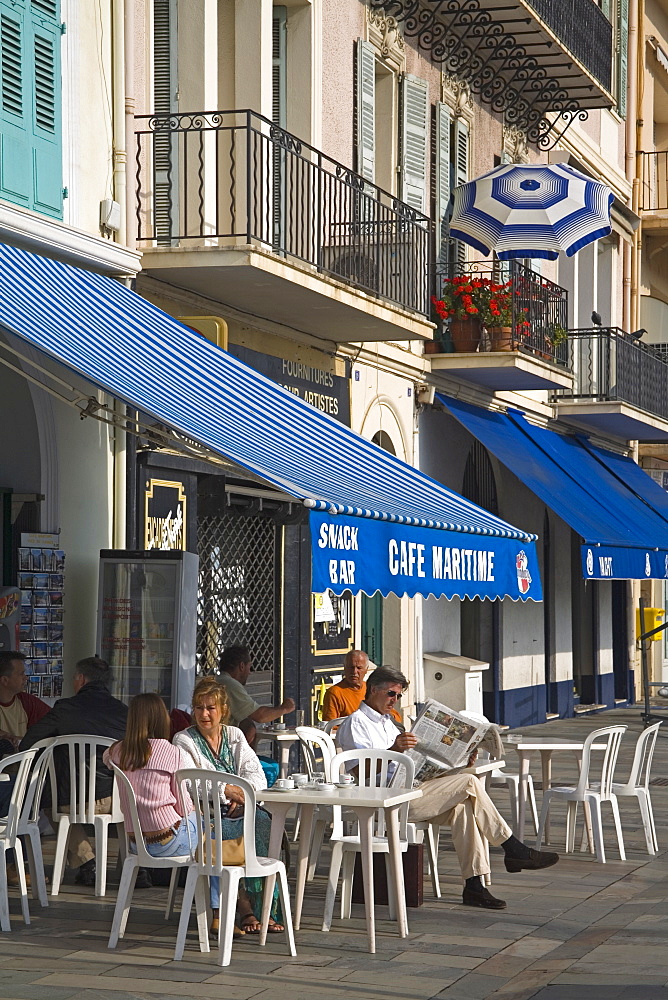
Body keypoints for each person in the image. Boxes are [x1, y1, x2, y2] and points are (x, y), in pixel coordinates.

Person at [336, 665, 559, 910]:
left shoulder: (391, 722)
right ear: (373, 690)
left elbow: (419, 763)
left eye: (399, 696)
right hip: (385, 800)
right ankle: (512, 847)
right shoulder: (356, 723)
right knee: (470, 782)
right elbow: (359, 773)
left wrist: (460, 761)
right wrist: (393, 751)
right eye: (391, 694)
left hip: (412, 789)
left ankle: (474, 886)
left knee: (463, 807)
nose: (395, 700)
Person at [18, 656, 147, 888]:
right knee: (128, 806)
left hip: (72, 801)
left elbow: (29, 742)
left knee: (49, 802)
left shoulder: (65, 708)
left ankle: (86, 863)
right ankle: (136, 867)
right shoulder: (124, 712)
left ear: (80, 679)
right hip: (116, 799)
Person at [173, 676, 284, 935]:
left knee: (265, 824)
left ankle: (263, 907)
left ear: (223, 710)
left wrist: (241, 796)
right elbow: (190, 781)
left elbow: (255, 773)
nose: (204, 714)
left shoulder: (234, 735)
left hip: (242, 808)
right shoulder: (184, 740)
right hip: (206, 813)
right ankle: (244, 909)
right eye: (199, 707)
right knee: (224, 832)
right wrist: (227, 792)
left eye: (211, 708)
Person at [103, 694, 202, 908]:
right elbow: (182, 806)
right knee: (213, 834)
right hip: (169, 840)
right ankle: (213, 910)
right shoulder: (170, 751)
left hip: (136, 843)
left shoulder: (117, 751)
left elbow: (106, 757)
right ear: (161, 718)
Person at [216, 645, 294, 748]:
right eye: (249, 667)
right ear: (242, 666)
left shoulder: (219, 680)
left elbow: (247, 719)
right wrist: (284, 708)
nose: (250, 672)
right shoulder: (229, 684)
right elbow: (260, 716)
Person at [321, 649, 402, 725]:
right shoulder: (334, 693)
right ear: (345, 668)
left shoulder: (372, 689)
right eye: (351, 667)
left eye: (359, 668)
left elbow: (395, 717)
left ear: (366, 669)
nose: (354, 672)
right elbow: (330, 727)